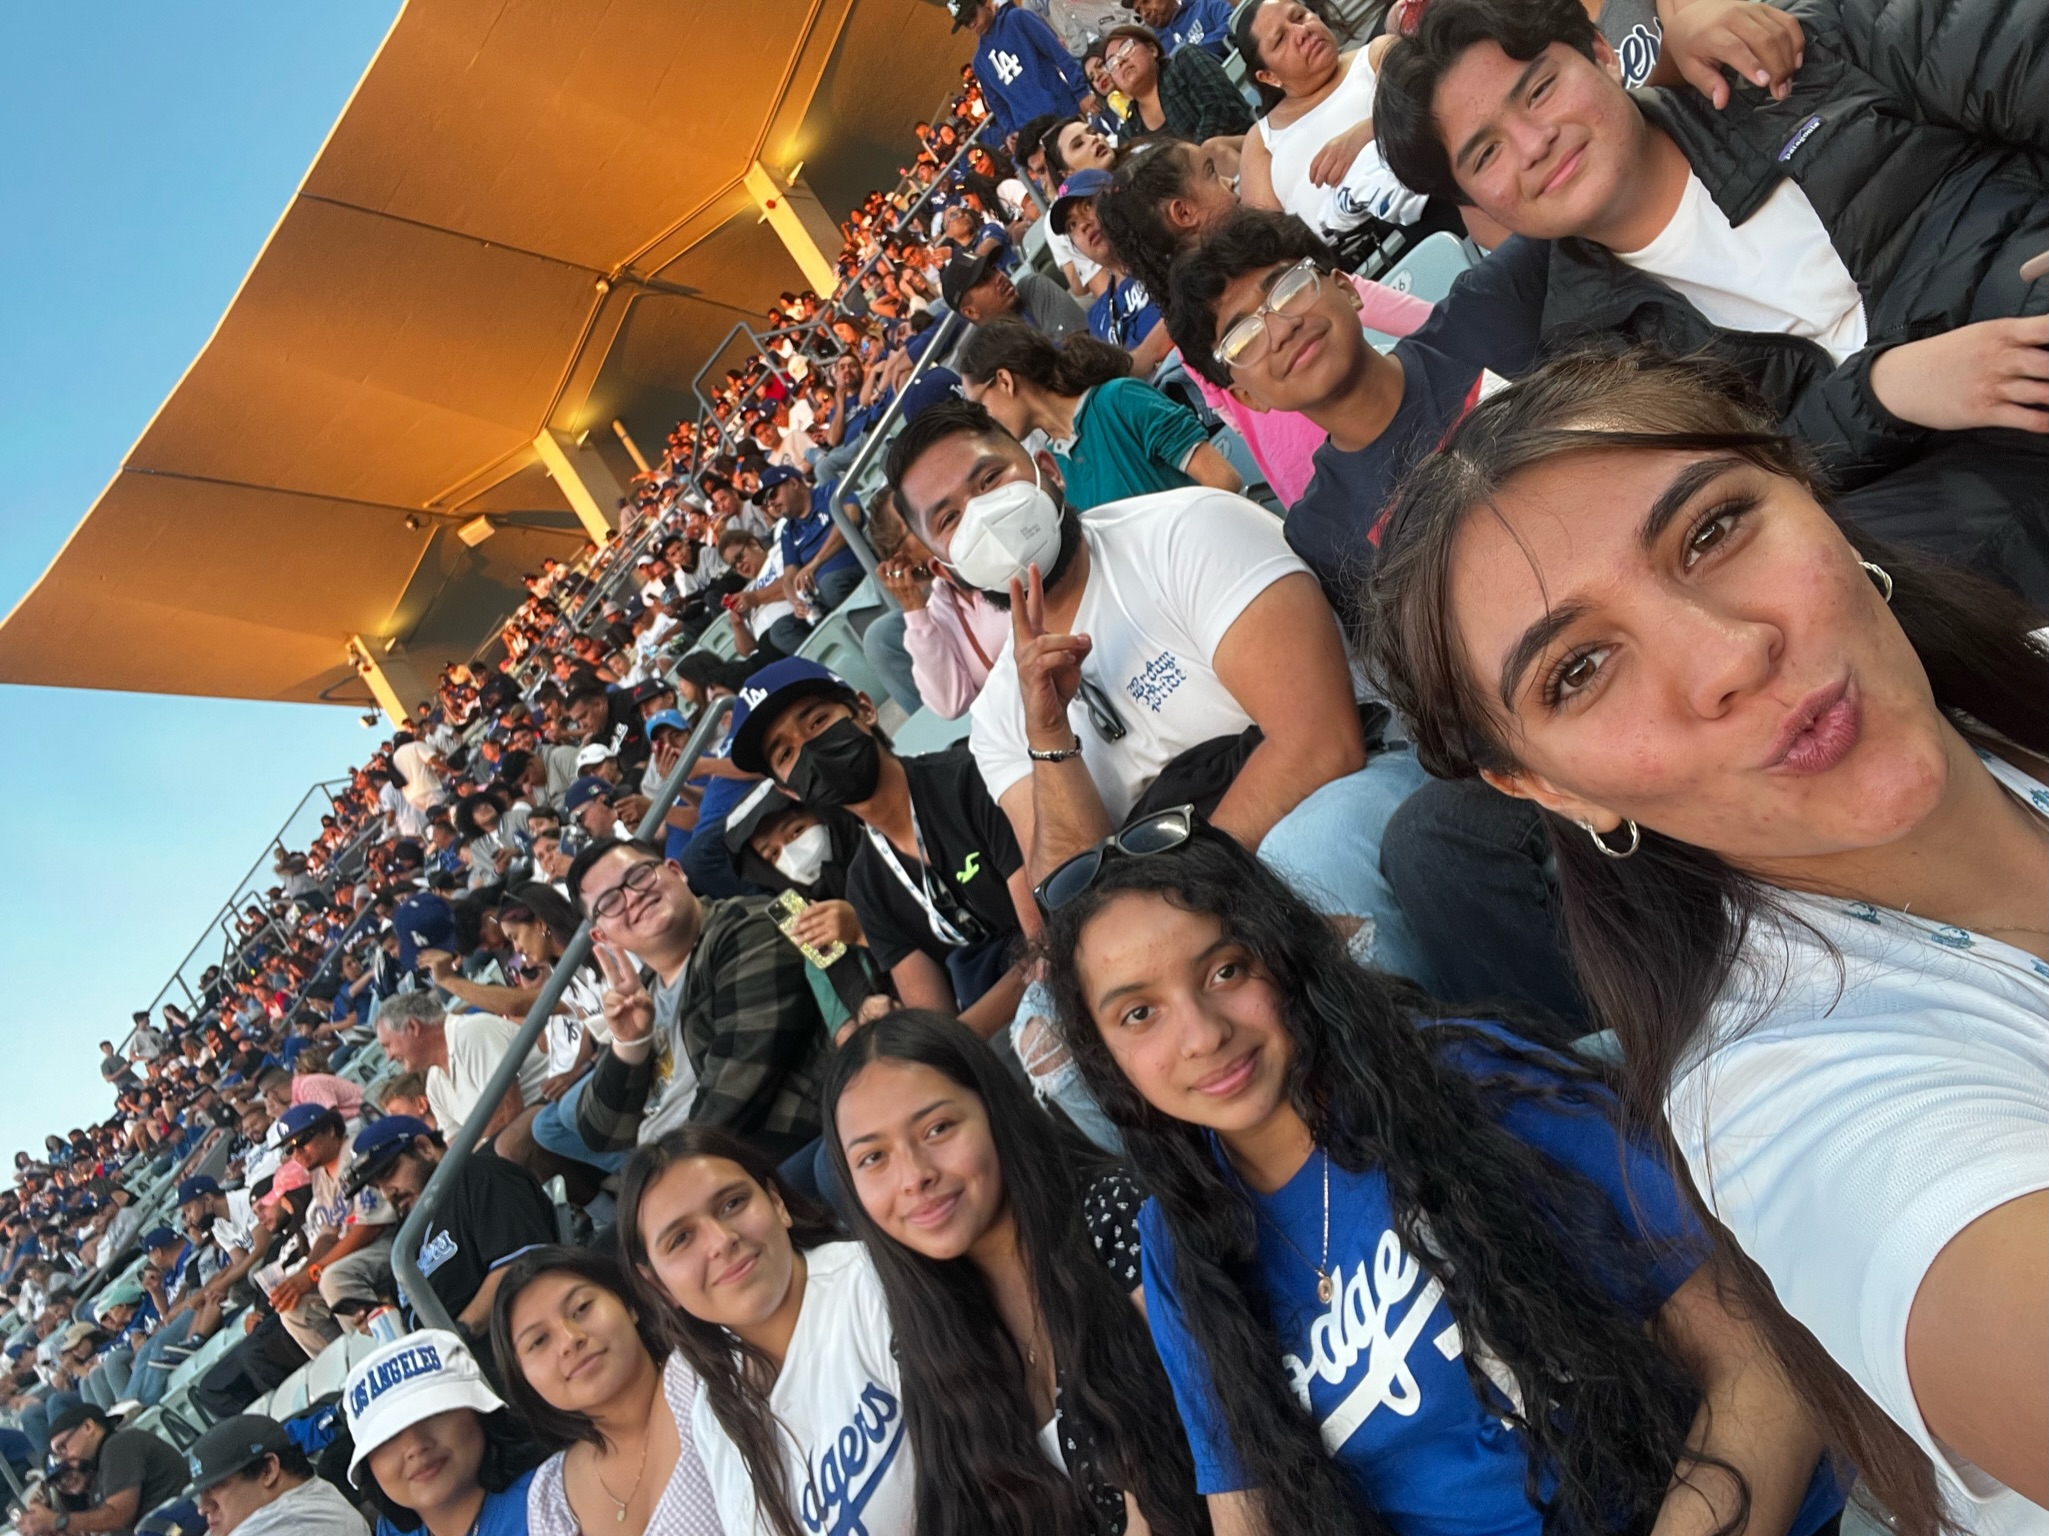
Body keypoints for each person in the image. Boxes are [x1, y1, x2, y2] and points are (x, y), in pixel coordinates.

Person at [1362, 347, 2049, 1532]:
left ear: (1810, 493)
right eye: (1580, 671)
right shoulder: (1787, 1105)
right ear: (1549, 790)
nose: (1729, 657)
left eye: (1714, 531)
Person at [1036, 811, 1853, 1536]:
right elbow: (1249, 1511)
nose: (1201, 1034)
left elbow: (1763, 1361)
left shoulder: (1468, 1088)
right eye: (1138, 1013)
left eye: (1225, 971)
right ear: (1105, 1058)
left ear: (1284, 959)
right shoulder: (1178, 1243)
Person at [1371, 0, 2049, 600]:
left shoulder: (1798, 58)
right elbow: (1744, 486)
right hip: (1961, 520)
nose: (1533, 143)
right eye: (1485, 154)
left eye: (1540, 90)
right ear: (1476, 206)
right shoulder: (1597, 358)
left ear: (1602, 54)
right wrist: (1880, 392)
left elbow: (2018, 55)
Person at [883, 395, 1436, 987]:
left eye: (990, 479)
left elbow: (1321, 744)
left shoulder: (1187, 530)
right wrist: (1049, 733)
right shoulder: (999, 714)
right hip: (1174, 888)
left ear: (1046, 471)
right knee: (1046, 1021)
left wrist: (1179, 904)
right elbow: (1069, 896)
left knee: (1309, 862)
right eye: (950, 519)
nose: (983, 517)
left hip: (1349, 783)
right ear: (943, 569)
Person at [822, 1012, 1206, 1534]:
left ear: (993, 1111)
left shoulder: (1114, 1219)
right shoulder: (925, 1334)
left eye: (938, 1129)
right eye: (873, 1158)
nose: (914, 1176)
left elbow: (1209, 1448)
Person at [1164, 209, 1544, 624]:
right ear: (1247, 398)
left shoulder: (1491, 308)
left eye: (1289, 289)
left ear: (1346, 289)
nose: (1282, 329)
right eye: (1244, 338)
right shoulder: (1321, 536)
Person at [1094, 138, 1434, 506]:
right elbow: (1415, 318)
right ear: (1184, 213)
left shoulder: (1191, 341)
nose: (1229, 182)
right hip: (1390, 458)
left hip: (1305, 490)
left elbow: (1238, 423)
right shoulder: (1282, 264)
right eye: (1211, 173)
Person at [618, 1124, 912, 1536]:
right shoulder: (713, 1409)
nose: (720, 1241)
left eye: (732, 1203)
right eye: (681, 1239)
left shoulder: (873, 1284)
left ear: (777, 1203)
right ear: (659, 1286)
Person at [726, 658, 1036, 1039]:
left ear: (865, 709)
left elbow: (1047, 943)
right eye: (786, 755)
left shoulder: (969, 780)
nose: (809, 750)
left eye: (817, 722)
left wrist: (960, 1038)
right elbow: (935, 1023)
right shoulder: (866, 887)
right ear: (790, 791)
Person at [563, 838, 830, 1165]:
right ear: (602, 936)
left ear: (676, 871)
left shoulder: (752, 925)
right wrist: (630, 1044)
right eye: (610, 902)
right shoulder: (640, 990)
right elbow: (601, 1132)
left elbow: (739, 1083)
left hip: (759, 1157)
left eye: (639, 876)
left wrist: (671, 1174)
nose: (633, 897)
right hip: (691, 1163)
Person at [490, 1246, 721, 1536]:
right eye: (538, 1341)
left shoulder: (704, 1380)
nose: (569, 1340)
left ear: (628, 1303)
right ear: (522, 1377)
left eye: (582, 1308)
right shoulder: (549, 1498)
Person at [958, 317, 1239, 511]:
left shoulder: (1119, 399)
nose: (984, 422)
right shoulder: (1053, 468)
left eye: (979, 405)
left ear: (1004, 381)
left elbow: (1223, 479)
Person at [1233, 0, 1434, 244]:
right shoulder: (1260, 140)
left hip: (1427, 209)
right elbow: (1273, 243)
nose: (1302, 31)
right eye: (1281, 39)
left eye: (1299, 17)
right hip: (1343, 257)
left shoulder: (1376, 54)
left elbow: (1431, 108)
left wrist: (1364, 134)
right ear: (1268, 76)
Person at [346, 1116, 558, 1332]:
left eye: (388, 1173)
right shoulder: (409, 1228)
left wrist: (461, 1335)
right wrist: (385, 1316)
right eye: (376, 1186)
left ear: (424, 1147)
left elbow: (519, 1265)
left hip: (505, 1338)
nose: (386, 1192)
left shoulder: (482, 1177)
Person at [343, 1331, 541, 1536]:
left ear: (478, 1413)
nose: (415, 1446)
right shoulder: (390, 1531)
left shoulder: (548, 1503)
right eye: (387, 1436)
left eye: (433, 1414)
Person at [266, 1104, 399, 1354]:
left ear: (330, 1129)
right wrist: (303, 1275)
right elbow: (328, 1234)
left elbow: (371, 1227)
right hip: (355, 1253)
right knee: (295, 1310)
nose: (297, 1152)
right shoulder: (321, 1174)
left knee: (333, 1278)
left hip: (388, 1239)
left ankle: (385, 1355)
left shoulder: (355, 1152)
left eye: (302, 1140)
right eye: (289, 1148)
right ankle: (357, 1367)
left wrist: (314, 1273)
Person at [373, 994, 550, 1147]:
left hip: (547, 1116)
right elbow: (454, 1147)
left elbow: (509, 1111)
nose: (388, 1057)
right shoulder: (434, 1085)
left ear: (413, 1027)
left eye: (388, 1045)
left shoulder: (471, 1033)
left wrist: (476, 1154)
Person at [16, 1402, 187, 1536]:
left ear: (88, 1427)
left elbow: (118, 1516)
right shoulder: (99, 1471)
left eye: (62, 1447)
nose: (63, 1459)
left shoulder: (119, 1445)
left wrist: (56, 1521)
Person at [184, 1414, 369, 1536]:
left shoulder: (302, 1523)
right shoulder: (293, 1506)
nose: (203, 1508)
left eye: (215, 1487)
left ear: (268, 1470)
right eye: (202, 1493)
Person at [950, 0, 1087, 145]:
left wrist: (1081, 91)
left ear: (985, 3)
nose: (972, 24)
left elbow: (1057, 53)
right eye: (966, 23)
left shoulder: (1017, 19)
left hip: (1063, 110)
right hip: (1034, 135)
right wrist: (1011, 131)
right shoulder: (979, 63)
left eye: (973, 15)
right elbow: (998, 105)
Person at [1102, 24, 1254, 144]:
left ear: (1152, 50)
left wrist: (1196, 160)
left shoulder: (1184, 62)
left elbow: (1222, 109)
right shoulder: (1128, 134)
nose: (1121, 61)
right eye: (1112, 62)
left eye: (1126, 48)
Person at [939, 250, 1090, 342]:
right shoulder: (987, 357)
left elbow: (1081, 351)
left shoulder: (1031, 288)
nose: (999, 276)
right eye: (984, 279)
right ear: (970, 311)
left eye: (993, 269)